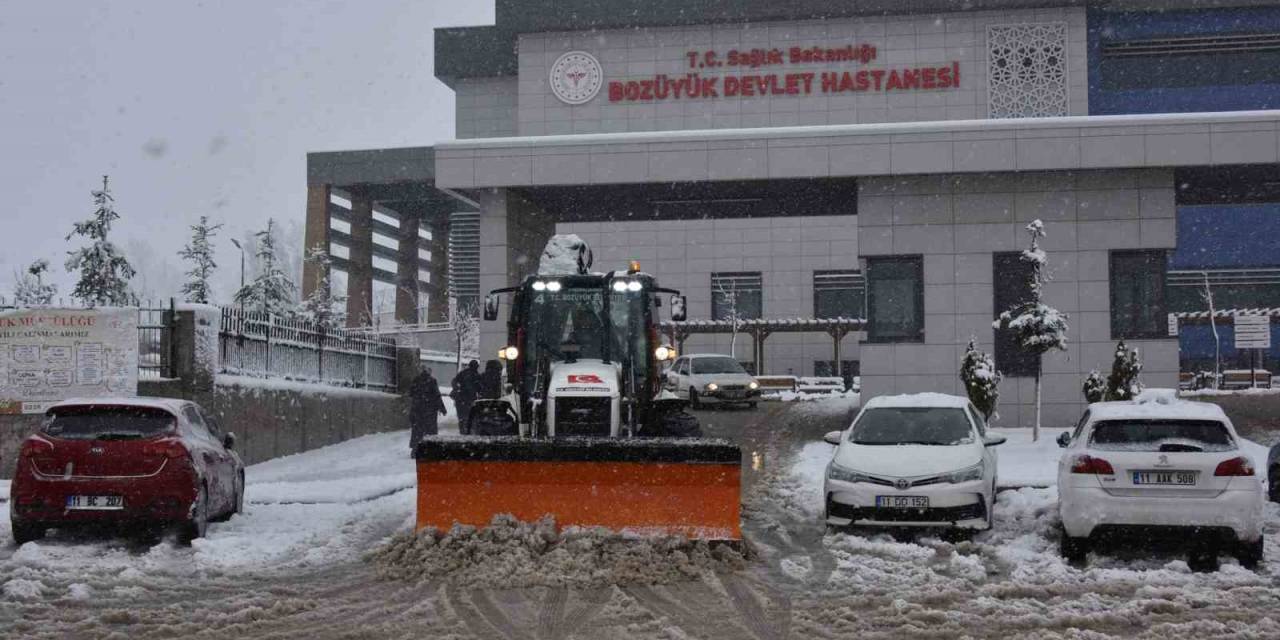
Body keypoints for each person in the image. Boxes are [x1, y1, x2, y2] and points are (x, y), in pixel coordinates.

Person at [409, 366, 446, 451]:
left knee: (417, 430)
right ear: (429, 373)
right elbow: (437, 396)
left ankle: (415, 449)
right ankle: (430, 448)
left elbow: (411, 393)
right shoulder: (432, 381)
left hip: (417, 410)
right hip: (430, 411)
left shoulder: (416, 380)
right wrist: (442, 408)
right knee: (430, 430)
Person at [451, 360, 481, 434]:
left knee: (462, 416)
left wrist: (457, 388)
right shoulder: (476, 375)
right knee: (469, 416)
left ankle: (463, 430)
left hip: (461, 399)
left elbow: (454, 381)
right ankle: (468, 430)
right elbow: (479, 388)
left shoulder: (463, 373)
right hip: (470, 399)